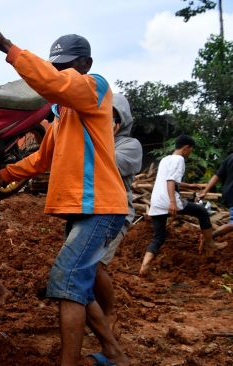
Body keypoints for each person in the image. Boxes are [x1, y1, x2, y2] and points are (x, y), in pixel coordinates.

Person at [0, 29, 131, 365]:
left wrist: (6, 47)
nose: (59, 73)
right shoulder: (63, 118)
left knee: (67, 278)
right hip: (82, 208)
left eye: (66, 66)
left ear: (86, 64)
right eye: (54, 66)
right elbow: (40, 160)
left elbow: (55, 84)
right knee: (78, 282)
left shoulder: (95, 88)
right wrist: (0, 176)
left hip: (100, 205)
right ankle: (113, 353)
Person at [140, 135, 228, 275]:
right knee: (202, 212)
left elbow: (169, 180)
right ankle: (210, 244)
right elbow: (170, 181)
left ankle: (144, 266)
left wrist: (190, 185)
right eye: (190, 150)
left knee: (159, 237)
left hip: (156, 202)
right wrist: (173, 202)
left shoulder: (165, 159)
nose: (189, 153)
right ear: (186, 147)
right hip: (168, 200)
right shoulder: (179, 159)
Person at [92, 93, 143, 335]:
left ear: (119, 121)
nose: (103, 121)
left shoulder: (129, 145)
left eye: (109, 118)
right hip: (90, 212)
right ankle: (93, 315)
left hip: (116, 214)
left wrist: (98, 137)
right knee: (83, 267)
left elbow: (107, 163)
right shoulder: (95, 140)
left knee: (96, 265)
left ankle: (110, 312)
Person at [199, 152, 233, 239]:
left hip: (229, 193)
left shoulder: (230, 157)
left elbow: (217, 176)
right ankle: (208, 237)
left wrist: (205, 191)